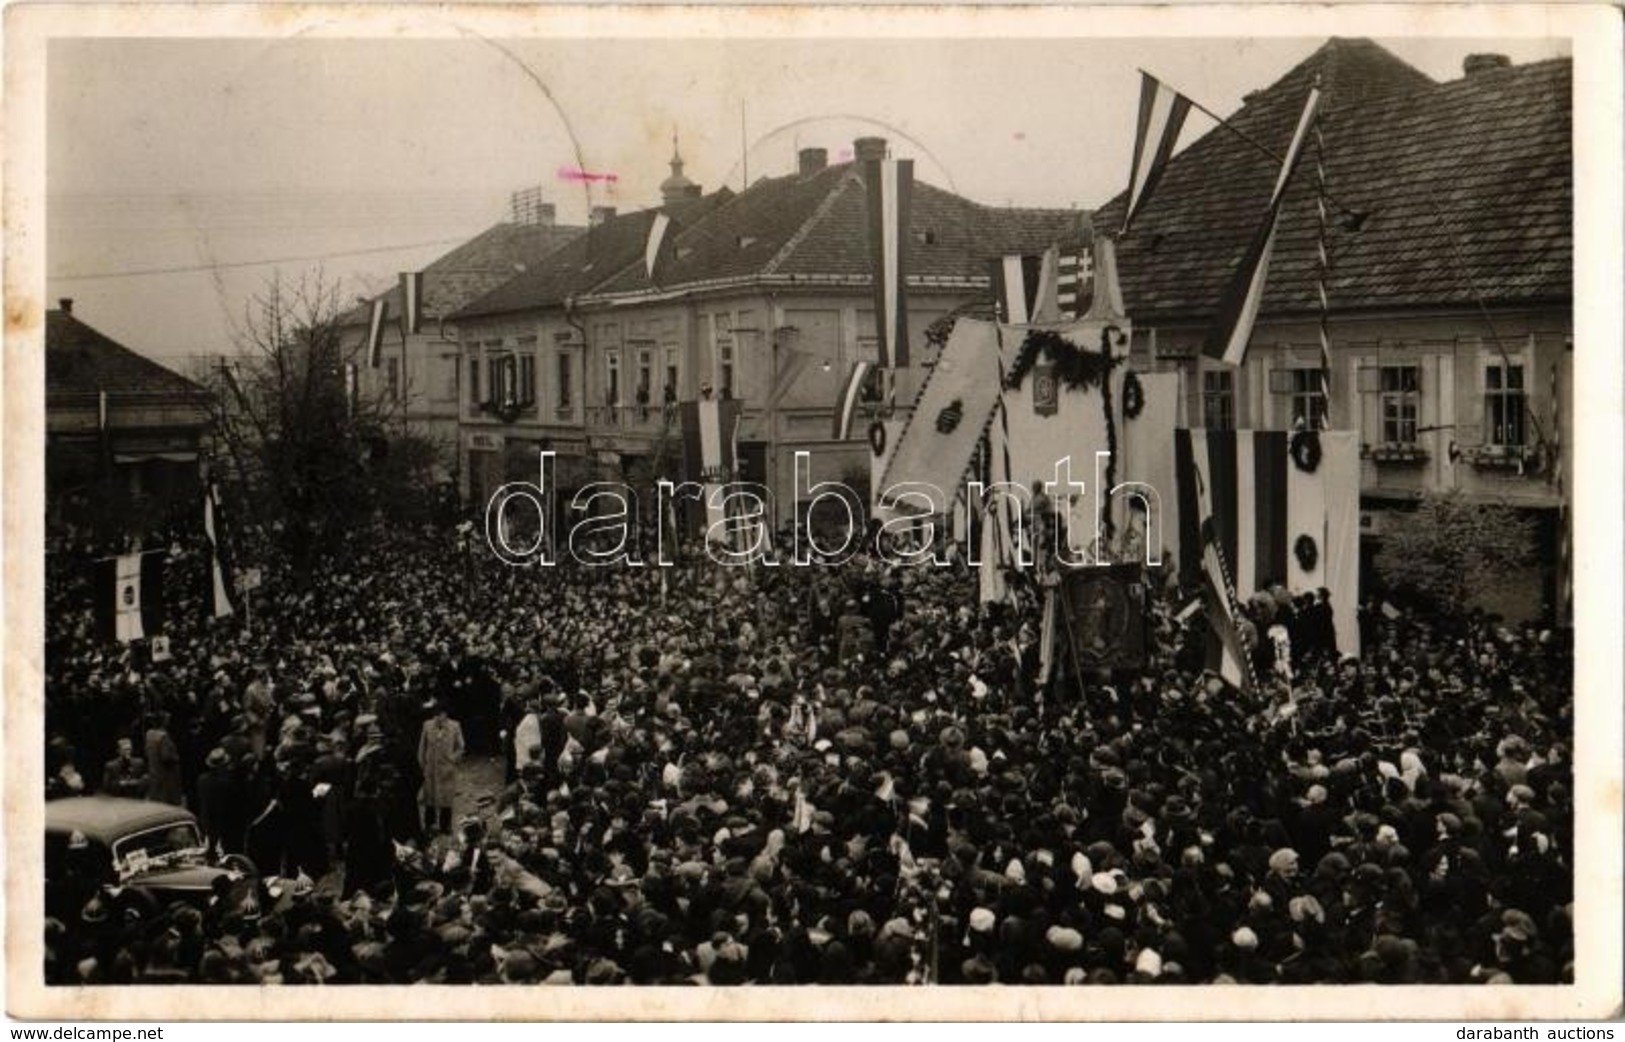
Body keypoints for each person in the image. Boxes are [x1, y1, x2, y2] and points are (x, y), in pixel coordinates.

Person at [417, 700, 464, 834]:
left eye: (441, 715)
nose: (438, 718)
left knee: (446, 799)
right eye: (436, 715)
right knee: (429, 798)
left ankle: (445, 826)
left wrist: (452, 759)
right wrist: (422, 764)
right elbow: (422, 747)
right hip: (431, 768)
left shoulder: (455, 726)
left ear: (446, 715)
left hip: (446, 769)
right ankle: (429, 824)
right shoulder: (427, 725)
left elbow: (461, 747)